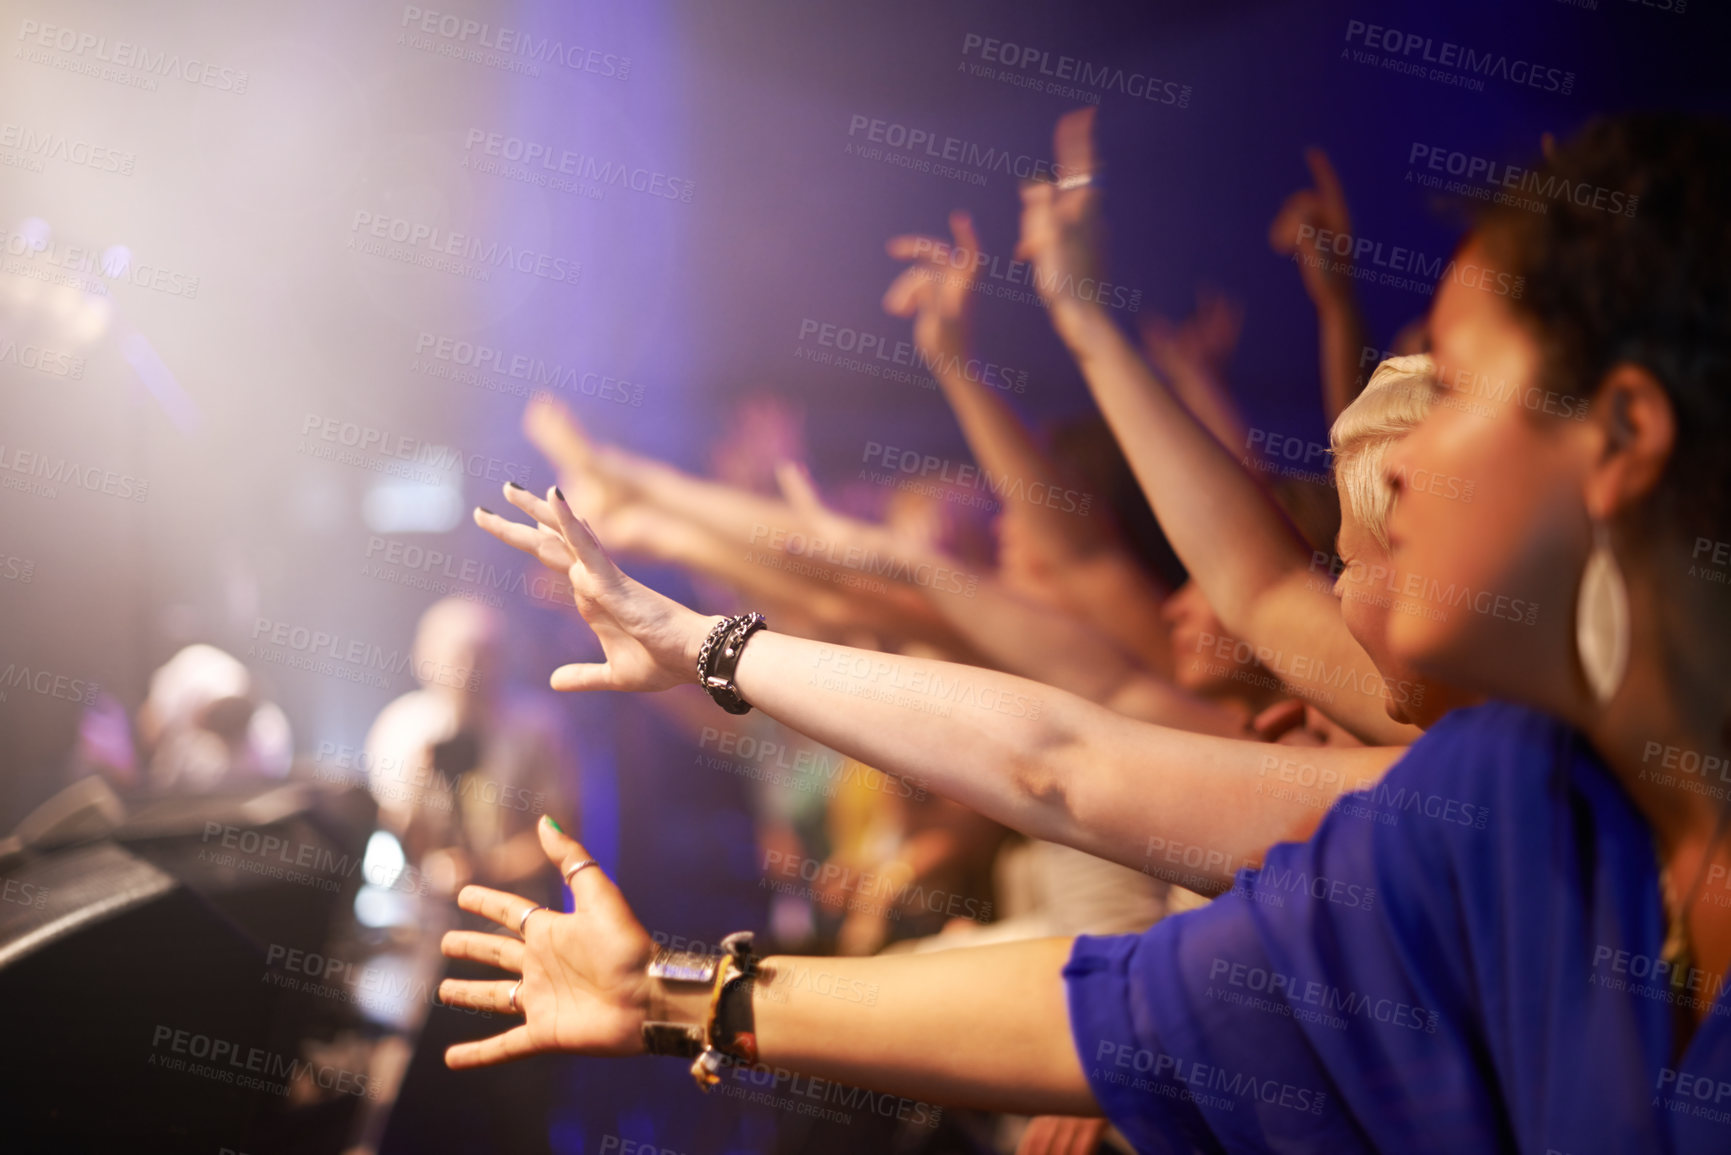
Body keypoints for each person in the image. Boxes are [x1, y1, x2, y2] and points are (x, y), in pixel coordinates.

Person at [436, 113, 1731, 1151]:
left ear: (1621, 436)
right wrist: (664, 995)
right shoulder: (1510, 811)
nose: (1400, 471)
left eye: (1448, 385)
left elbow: (1103, 713)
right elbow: (1120, 973)